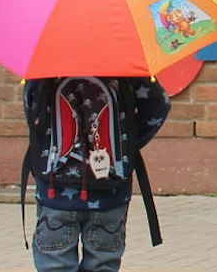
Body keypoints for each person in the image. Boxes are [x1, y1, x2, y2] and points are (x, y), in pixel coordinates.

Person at [23, 76, 170, 272]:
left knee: (55, 266)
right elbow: (159, 105)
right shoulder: (126, 66)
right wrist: (128, 144)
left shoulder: (45, 68)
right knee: (103, 266)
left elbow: (32, 113)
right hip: (110, 190)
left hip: (55, 191)